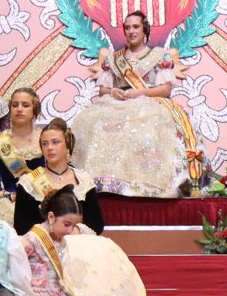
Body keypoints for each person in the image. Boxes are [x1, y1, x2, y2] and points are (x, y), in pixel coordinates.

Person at [9, 119, 157, 296]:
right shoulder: (30, 182)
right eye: (45, 143)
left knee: (104, 252)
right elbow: (21, 225)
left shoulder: (83, 179)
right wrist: (53, 230)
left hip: (80, 239)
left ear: (67, 145)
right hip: (45, 243)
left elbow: (97, 223)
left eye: (55, 142)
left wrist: (75, 229)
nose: (50, 148)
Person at [70, 10, 196, 195]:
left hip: (149, 103)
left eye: (136, 27)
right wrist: (113, 91)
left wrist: (140, 93)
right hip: (117, 103)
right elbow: (103, 90)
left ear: (145, 29)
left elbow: (166, 90)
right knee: (94, 123)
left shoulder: (159, 56)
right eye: (127, 28)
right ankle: (104, 183)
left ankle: (145, 186)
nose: (131, 31)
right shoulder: (114, 58)